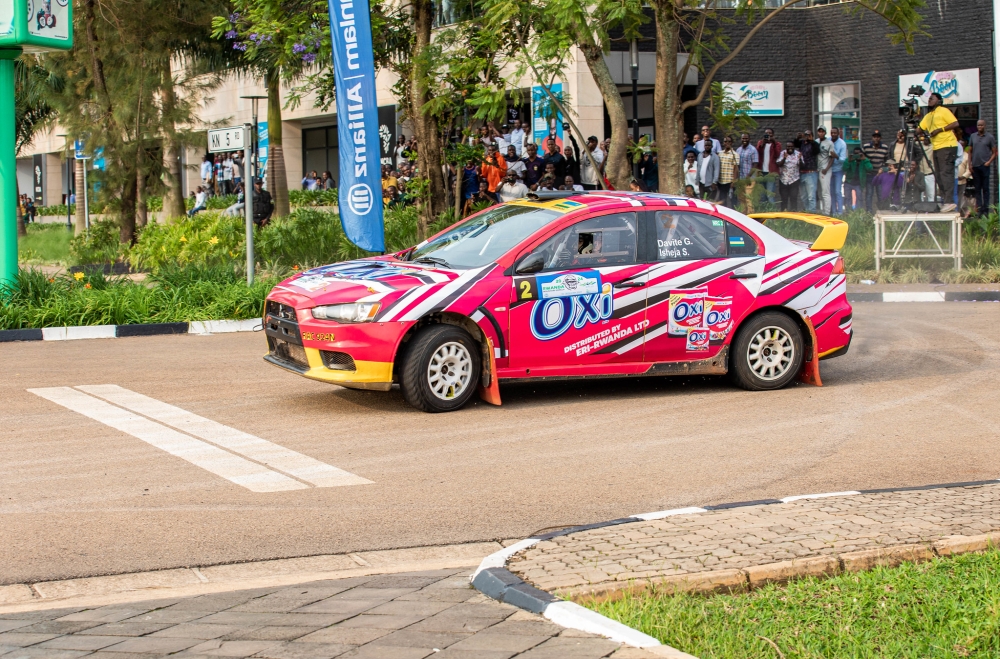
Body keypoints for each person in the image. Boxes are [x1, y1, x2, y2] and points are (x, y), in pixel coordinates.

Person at [918, 92, 960, 212]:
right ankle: (944, 200)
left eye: (932, 98)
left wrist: (939, 130)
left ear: (939, 100)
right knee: (939, 175)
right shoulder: (928, 115)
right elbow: (919, 129)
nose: (929, 99)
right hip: (937, 147)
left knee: (946, 173)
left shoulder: (943, 110)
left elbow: (955, 123)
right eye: (929, 98)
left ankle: (949, 201)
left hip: (947, 145)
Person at [969, 119, 997, 214]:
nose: (980, 127)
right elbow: (970, 151)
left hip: (985, 166)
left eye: (981, 125)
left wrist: (989, 162)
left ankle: (986, 210)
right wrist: (970, 164)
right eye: (978, 125)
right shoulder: (973, 136)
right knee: (977, 189)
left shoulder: (990, 137)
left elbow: (994, 152)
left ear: (985, 126)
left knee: (985, 189)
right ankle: (979, 210)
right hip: (975, 166)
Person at [862, 131, 890, 213]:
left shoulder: (885, 148)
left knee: (880, 193)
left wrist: (883, 169)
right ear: (872, 138)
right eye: (874, 137)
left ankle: (881, 210)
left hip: (880, 175)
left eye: (878, 137)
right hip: (869, 174)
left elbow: (887, 161)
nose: (876, 138)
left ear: (880, 138)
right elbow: (863, 159)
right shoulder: (866, 147)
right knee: (869, 194)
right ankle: (869, 212)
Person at [756, 128, 782, 202]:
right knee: (763, 195)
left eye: (770, 133)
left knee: (770, 195)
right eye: (766, 133)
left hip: (771, 173)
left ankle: (772, 211)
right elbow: (757, 153)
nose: (768, 134)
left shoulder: (777, 144)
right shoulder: (760, 142)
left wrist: (774, 143)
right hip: (762, 172)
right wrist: (762, 144)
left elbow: (777, 154)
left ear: (773, 135)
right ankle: (764, 211)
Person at [776, 141, 802, 212]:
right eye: (788, 147)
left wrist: (800, 159)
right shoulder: (782, 153)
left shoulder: (798, 154)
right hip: (783, 180)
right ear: (786, 147)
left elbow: (802, 166)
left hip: (794, 180)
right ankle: (783, 216)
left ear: (794, 147)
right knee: (784, 199)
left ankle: (793, 215)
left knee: (793, 198)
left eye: (791, 147)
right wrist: (784, 158)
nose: (790, 148)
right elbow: (779, 164)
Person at [797, 130, 819, 212]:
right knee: (803, 196)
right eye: (806, 135)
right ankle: (807, 212)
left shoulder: (814, 144)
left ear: (812, 136)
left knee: (811, 196)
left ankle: (812, 214)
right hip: (802, 172)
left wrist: (812, 141)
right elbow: (793, 144)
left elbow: (817, 151)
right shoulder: (802, 143)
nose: (807, 136)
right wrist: (797, 138)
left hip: (811, 172)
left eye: (809, 135)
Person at [829, 127, 848, 214]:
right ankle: (833, 212)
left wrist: (836, 156)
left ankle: (840, 213)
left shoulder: (842, 144)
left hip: (838, 170)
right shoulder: (828, 141)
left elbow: (843, 159)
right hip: (829, 170)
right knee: (831, 192)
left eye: (835, 133)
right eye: (832, 133)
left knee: (837, 191)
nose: (833, 135)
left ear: (838, 134)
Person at [816, 127, 834, 214]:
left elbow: (832, 158)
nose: (821, 133)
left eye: (822, 131)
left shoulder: (829, 143)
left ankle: (827, 212)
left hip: (825, 170)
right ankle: (822, 210)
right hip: (817, 169)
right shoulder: (816, 142)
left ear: (825, 133)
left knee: (825, 192)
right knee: (819, 192)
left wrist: (826, 169)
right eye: (819, 131)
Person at [717, 136, 738, 207]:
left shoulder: (735, 154)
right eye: (725, 141)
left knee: (732, 200)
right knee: (722, 200)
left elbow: (736, 168)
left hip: (729, 181)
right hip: (721, 181)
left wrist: (733, 181)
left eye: (729, 141)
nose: (727, 143)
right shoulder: (719, 154)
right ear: (723, 143)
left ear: (731, 143)